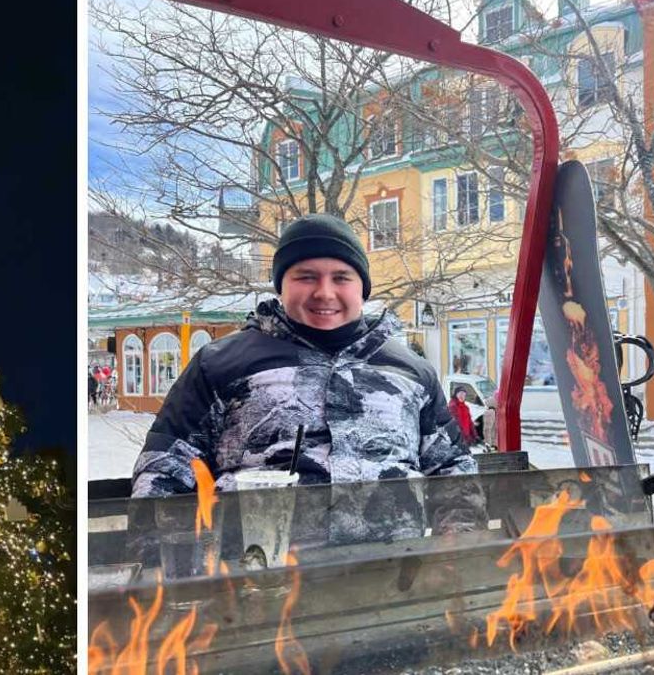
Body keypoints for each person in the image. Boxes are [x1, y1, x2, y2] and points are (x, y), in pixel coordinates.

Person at [130, 213, 481, 542]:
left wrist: (454, 554)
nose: (324, 292)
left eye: (341, 277)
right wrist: (170, 569)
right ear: (281, 285)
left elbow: (452, 468)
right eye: (306, 276)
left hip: (394, 580)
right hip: (253, 584)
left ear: (362, 288)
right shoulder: (221, 364)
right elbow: (165, 468)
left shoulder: (410, 371)